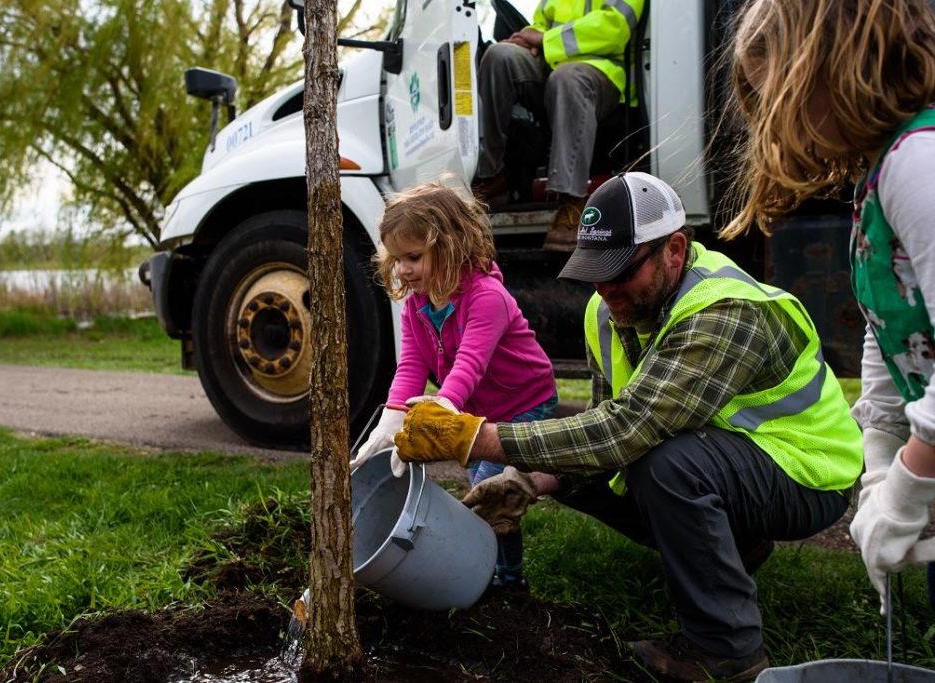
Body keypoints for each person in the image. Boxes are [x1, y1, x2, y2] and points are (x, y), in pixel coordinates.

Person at [391, 172, 863, 682]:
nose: (606, 289)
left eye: (621, 272)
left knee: (667, 464)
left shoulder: (724, 311)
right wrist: (528, 481)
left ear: (674, 250)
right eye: (595, 272)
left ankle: (725, 649)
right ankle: (735, 548)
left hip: (811, 473)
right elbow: (601, 432)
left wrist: (477, 439)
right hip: (732, 462)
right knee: (573, 460)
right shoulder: (605, 311)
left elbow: (628, 430)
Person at [720, 0, 935, 616]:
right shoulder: (883, 171)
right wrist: (879, 463)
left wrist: (911, 480)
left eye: (783, 96)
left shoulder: (918, 165)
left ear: (837, 66)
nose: (778, 125)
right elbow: (889, 326)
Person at [349, 180, 558, 591]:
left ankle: (508, 580)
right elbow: (411, 364)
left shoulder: (487, 297)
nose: (404, 269)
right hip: (478, 409)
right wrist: (390, 421)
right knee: (487, 487)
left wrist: (445, 404)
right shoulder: (417, 305)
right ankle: (496, 569)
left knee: (491, 489)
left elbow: (470, 364)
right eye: (397, 258)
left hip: (525, 402)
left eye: (414, 257)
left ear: (451, 246)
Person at [471, 0, 644, 252]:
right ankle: (493, 176)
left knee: (567, 78)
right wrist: (526, 40)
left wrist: (545, 39)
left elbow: (613, 30)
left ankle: (571, 201)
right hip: (553, 64)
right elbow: (541, 24)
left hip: (602, 73)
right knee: (500, 55)